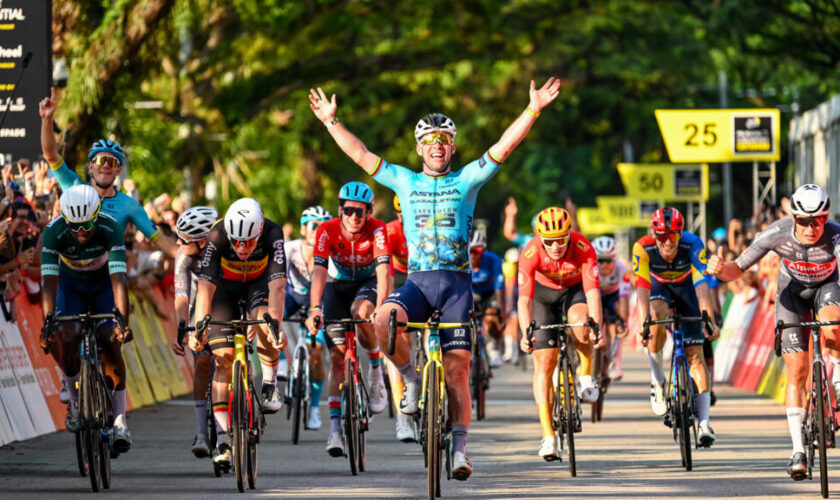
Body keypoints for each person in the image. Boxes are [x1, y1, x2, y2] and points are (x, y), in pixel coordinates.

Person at [309, 76, 561, 480]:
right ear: (419, 148)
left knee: (459, 372)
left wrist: (533, 108)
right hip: (419, 283)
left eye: (444, 139)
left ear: (453, 147)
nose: (437, 145)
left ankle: (460, 451)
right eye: (430, 140)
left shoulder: (467, 180)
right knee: (381, 321)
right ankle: (409, 380)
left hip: (458, 286)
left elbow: (504, 146)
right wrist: (330, 122)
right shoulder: (405, 181)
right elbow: (361, 155)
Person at [707, 184, 840, 480]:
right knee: (797, 371)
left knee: (833, 324)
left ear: (826, 217)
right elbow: (736, 270)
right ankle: (797, 451)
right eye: (803, 220)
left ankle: (838, 374)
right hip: (791, 293)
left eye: (817, 219)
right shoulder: (777, 232)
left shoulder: (835, 235)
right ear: (793, 217)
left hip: (828, 288)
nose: (810, 227)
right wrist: (719, 269)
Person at [188, 198, 287, 469]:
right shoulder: (217, 235)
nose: (242, 248)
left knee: (266, 325)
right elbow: (205, 288)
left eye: (249, 242)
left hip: (259, 285)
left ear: (261, 229)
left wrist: (275, 326)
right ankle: (222, 439)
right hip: (225, 291)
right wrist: (199, 327)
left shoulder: (273, 233)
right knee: (223, 359)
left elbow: (278, 286)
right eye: (237, 241)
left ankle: (269, 384)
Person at [40, 185, 133, 453]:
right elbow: (48, 282)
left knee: (110, 340)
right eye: (75, 227)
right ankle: (77, 403)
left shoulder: (110, 227)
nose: (81, 233)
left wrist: (122, 323)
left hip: (104, 284)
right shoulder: (53, 231)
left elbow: (119, 280)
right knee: (66, 336)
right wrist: (48, 323)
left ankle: (119, 422)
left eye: (87, 225)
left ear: (97, 214)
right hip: (71, 287)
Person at [303, 182, 392, 457]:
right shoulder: (325, 230)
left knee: (361, 313)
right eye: (349, 210)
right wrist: (315, 308)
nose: (355, 217)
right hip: (337, 286)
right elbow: (318, 272)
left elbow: (384, 272)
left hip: (367, 284)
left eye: (361, 212)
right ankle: (334, 432)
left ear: (369, 213)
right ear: (340, 210)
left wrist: (381, 307)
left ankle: (376, 371)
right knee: (338, 360)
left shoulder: (377, 229)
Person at [39, 88, 178, 259]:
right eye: (99, 161)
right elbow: (51, 156)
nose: (105, 165)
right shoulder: (74, 187)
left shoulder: (129, 205)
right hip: (72, 277)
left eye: (111, 162)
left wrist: (196, 266)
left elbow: (160, 239)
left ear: (118, 170)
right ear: (90, 167)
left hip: (108, 279)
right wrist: (47, 120)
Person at [517, 207, 602, 461]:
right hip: (544, 297)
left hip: (574, 291)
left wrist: (597, 327)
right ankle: (549, 436)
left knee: (581, 324)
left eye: (561, 241)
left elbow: (593, 293)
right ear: (541, 239)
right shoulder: (530, 252)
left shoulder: (583, 247)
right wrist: (525, 333)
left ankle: (585, 374)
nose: (555, 246)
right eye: (549, 242)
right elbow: (524, 300)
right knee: (544, 362)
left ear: (569, 235)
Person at [632, 207, 720, 448]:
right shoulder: (643, 247)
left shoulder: (693, 244)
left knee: (696, 358)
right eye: (660, 236)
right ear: (653, 234)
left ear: (680, 233)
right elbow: (641, 288)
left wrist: (708, 319)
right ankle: (658, 381)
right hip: (658, 288)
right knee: (655, 317)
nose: (667, 241)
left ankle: (704, 424)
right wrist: (644, 324)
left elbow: (702, 285)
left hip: (687, 290)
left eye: (672, 235)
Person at [169, 206, 218, 458]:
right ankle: (202, 432)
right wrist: (182, 331)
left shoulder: (223, 249)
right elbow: (181, 296)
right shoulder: (184, 255)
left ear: (202, 240)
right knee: (202, 363)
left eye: (183, 239)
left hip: (226, 300)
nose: (177, 242)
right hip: (200, 304)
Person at [284, 205, 332, 430]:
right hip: (292, 297)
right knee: (267, 316)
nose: (317, 231)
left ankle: (314, 409)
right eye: (313, 226)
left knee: (316, 354)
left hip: (318, 303)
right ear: (303, 229)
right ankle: (282, 364)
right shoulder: (289, 249)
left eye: (322, 227)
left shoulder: (330, 253)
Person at [385, 194, 417, 442]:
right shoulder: (391, 232)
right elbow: (382, 271)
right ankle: (403, 418)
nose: (404, 218)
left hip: (424, 276)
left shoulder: (432, 225)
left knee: (434, 333)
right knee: (397, 337)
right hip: (397, 277)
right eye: (399, 213)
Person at [591, 235, 630, 380]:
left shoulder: (622, 269)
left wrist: (624, 323)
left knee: (620, 326)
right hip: (596, 295)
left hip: (614, 297)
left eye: (609, 260)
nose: (605, 265)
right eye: (600, 260)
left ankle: (616, 364)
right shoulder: (590, 268)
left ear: (615, 259)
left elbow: (624, 298)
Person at [469, 230, 506, 367]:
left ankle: (493, 348)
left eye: (477, 250)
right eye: (469, 250)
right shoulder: (461, 261)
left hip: (489, 293)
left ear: (483, 250)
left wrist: (501, 315)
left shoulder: (493, 260)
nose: (473, 255)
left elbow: (499, 290)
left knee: (492, 318)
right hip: (470, 293)